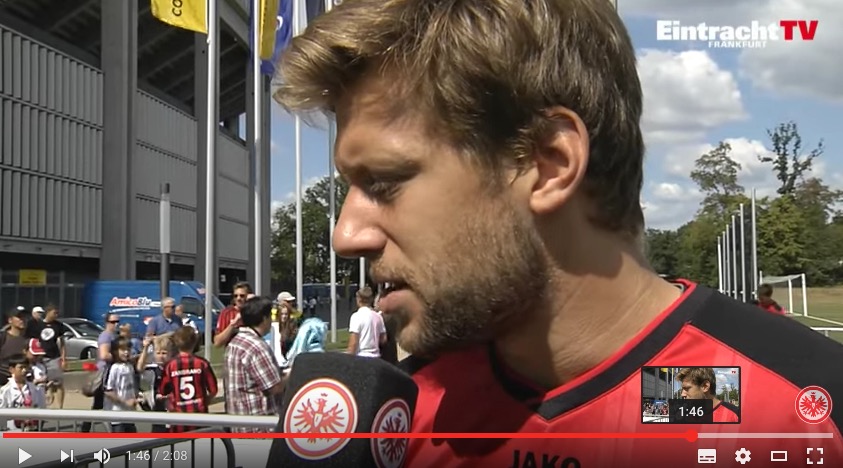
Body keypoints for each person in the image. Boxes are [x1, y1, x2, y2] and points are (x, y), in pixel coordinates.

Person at [274, 0, 843, 464]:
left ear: (548, 163)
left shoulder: (798, 415)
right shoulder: (403, 415)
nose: (346, 235)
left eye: (384, 181)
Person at [224, 296, 285, 433]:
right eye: (270, 316)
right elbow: (274, 387)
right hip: (259, 427)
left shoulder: (235, 342)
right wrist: (292, 374)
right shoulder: (257, 347)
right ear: (264, 318)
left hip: (238, 424)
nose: (272, 320)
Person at [160, 326, 218, 433]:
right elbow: (213, 390)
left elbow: (163, 390)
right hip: (199, 415)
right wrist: (204, 402)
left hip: (178, 416)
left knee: (178, 443)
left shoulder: (170, 365)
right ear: (195, 342)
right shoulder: (202, 363)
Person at [25, 304, 66, 408]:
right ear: (48, 312)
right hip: (40, 357)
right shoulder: (38, 325)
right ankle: (45, 401)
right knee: (43, 382)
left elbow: (62, 343)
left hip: (54, 356)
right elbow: (32, 341)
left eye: (57, 313)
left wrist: (63, 358)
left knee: (58, 382)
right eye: (54, 313)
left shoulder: (59, 325)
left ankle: (60, 407)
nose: (56, 315)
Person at [675, 367, 740, 423]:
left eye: (687, 388)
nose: (682, 394)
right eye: (682, 389)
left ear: (705, 386)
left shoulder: (735, 416)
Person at [0, 354, 45, 432]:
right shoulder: (5, 390)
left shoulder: (34, 389)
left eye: (26, 367)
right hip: (11, 432)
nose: (24, 370)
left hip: (31, 431)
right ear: (12, 369)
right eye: (21, 368)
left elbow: (42, 409)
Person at [136, 334, 171, 433]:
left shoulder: (173, 367)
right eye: (158, 353)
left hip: (172, 410)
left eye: (164, 353)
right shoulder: (153, 369)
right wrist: (146, 348)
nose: (161, 356)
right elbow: (140, 367)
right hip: (158, 411)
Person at [103, 337, 138, 433]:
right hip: (117, 414)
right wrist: (125, 402)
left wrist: (136, 397)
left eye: (128, 349)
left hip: (129, 413)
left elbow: (131, 387)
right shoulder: (114, 368)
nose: (126, 352)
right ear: (115, 351)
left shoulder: (130, 366)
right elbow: (108, 391)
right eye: (123, 350)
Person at [346, 286, 387, 357]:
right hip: (376, 356)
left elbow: (354, 342)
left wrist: (348, 357)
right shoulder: (378, 316)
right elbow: (383, 339)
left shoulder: (356, 316)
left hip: (362, 355)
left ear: (359, 299)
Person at [0, 308, 31, 384]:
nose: (23, 320)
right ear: (10, 320)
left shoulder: (29, 340)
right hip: (3, 379)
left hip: (23, 380)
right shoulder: (3, 337)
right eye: (19, 317)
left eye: (25, 317)